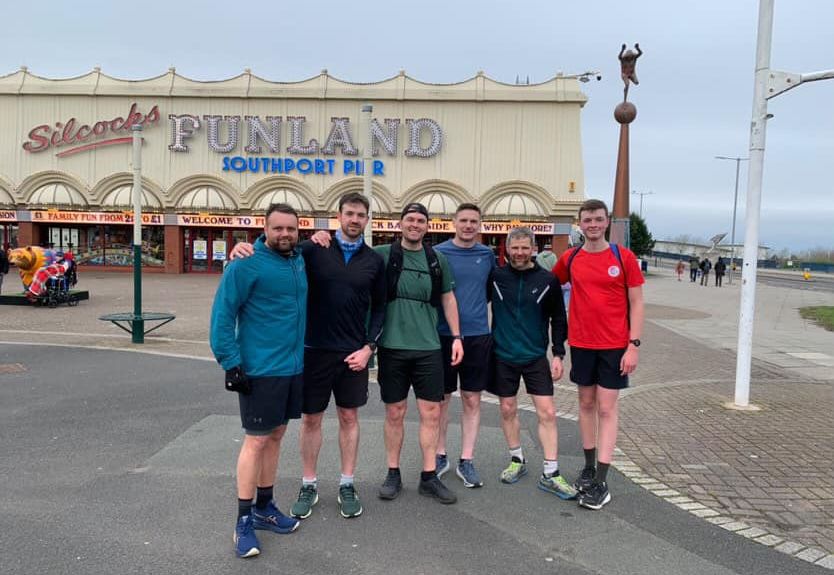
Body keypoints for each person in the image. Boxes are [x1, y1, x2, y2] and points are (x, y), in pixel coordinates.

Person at [230, 192, 386, 521]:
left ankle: (346, 483)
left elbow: (382, 308)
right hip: (312, 353)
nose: (354, 219)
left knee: (349, 419)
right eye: (349, 213)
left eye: (361, 215)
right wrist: (243, 248)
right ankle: (309, 483)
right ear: (338, 216)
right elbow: (274, 248)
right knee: (311, 420)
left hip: (352, 356)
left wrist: (369, 347)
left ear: (367, 220)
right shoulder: (314, 249)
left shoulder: (374, 261)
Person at [210, 203, 307, 559]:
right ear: (264, 230)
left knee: (277, 435)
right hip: (259, 369)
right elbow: (223, 314)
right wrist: (231, 362)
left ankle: (265, 507)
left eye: (291, 229)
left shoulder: (298, 259)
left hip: (291, 368)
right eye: (278, 228)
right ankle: (243, 522)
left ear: (299, 231)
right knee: (256, 441)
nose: (285, 234)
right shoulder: (245, 263)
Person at [553, 199, 644, 510]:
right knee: (585, 403)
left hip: (614, 346)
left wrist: (634, 344)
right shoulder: (571, 257)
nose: (592, 224)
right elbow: (550, 288)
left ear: (607, 223)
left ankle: (602, 481)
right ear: (580, 223)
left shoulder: (623, 257)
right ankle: (589, 467)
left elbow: (637, 302)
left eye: (598, 219)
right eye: (587, 220)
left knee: (607, 408)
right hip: (581, 344)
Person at [375, 203, 464, 504]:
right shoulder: (383, 255)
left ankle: (429, 476)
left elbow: (449, 299)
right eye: (410, 219)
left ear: (427, 226)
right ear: (400, 224)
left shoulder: (437, 259)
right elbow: (346, 260)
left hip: (428, 347)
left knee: (432, 412)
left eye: (421, 221)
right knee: (395, 412)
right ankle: (393, 472)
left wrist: (456, 337)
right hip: (392, 346)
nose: (415, 225)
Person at [489, 227, 577, 499]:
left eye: (525, 248)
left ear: (534, 249)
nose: (519, 253)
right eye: (514, 248)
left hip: (535, 356)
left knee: (547, 413)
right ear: (507, 248)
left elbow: (558, 319)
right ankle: (517, 460)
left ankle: (551, 472)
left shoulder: (548, 280)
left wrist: (558, 354)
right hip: (502, 355)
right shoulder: (495, 277)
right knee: (506, 409)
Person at [435, 203, 495, 488]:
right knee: (442, 399)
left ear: (480, 224)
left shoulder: (487, 255)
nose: (469, 225)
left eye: (474, 221)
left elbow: (488, 293)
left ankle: (466, 459)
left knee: (472, 399)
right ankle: (440, 454)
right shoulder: (439, 253)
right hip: (443, 336)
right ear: (454, 223)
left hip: (477, 336)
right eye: (464, 220)